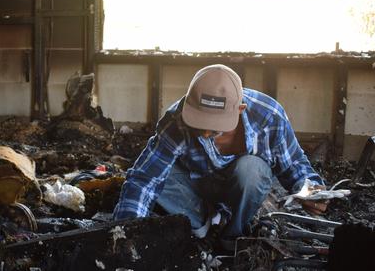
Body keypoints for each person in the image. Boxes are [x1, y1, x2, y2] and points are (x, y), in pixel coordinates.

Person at [113, 64, 327, 250]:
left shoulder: (269, 116)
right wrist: (125, 231)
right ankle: (200, 222)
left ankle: (232, 234)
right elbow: (144, 180)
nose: (206, 134)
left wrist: (310, 190)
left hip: (239, 189)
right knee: (160, 176)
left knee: (254, 169)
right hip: (194, 188)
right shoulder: (176, 121)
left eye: (215, 126)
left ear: (240, 109)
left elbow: (294, 164)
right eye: (200, 122)